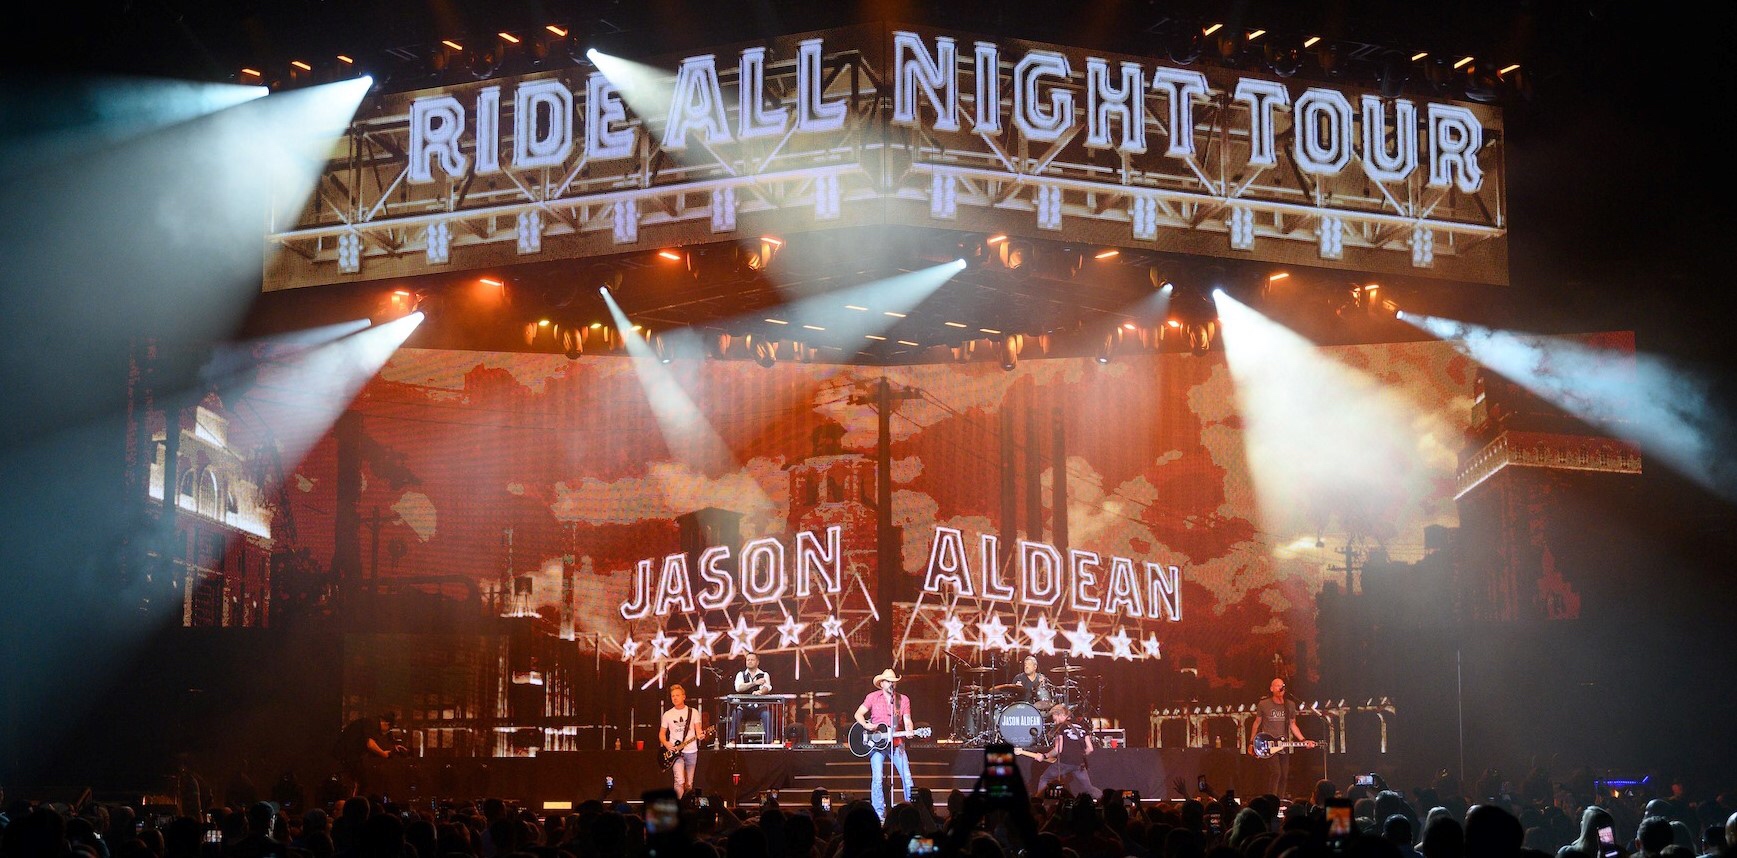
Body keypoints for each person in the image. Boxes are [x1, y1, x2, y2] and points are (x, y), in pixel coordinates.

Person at [854, 668, 916, 821]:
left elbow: (907, 720)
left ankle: (913, 811)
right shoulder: (872, 697)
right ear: (881, 683)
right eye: (888, 681)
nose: (892, 684)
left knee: (907, 776)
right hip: (876, 743)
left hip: (896, 742)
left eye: (894, 682)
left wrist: (909, 730)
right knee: (877, 778)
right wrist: (867, 726)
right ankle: (879, 814)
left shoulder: (903, 700)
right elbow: (858, 714)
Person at [1246, 678, 1316, 799]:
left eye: (1282, 685)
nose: (1280, 687)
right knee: (1276, 772)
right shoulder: (1263, 704)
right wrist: (1251, 742)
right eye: (1277, 685)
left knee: (1284, 774)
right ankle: (1272, 800)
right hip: (1268, 743)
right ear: (1271, 688)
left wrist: (1303, 740)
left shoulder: (1290, 705)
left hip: (1283, 744)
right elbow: (1256, 723)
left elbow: (1293, 725)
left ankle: (1280, 800)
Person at [1019, 703, 1100, 799]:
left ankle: (1039, 803)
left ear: (1060, 715)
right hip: (1079, 764)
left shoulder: (1060, 727)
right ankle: (1104, 801)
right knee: (1089, 788)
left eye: (1055, 719)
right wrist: (1079, 755)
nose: (1055, 722)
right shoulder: (1082, 728)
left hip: (1065, 762)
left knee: (1044, 778)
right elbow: (1090, 749)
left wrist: (1045, 756)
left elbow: (1058, 749)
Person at [332, 712, 404, 798]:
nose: (385, 733)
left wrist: (390, 751)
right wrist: (383, 754)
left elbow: (372, 748)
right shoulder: (371, 723)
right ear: (387, 724)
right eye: (388, 730)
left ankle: (353, 801)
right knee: (361, 782)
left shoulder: (369, 724)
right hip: (346, 755)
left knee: (360, 781)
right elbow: (370, 745)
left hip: (348, 755)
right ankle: (354, 804)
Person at [659, 684, 708, 798]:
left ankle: (687, 806)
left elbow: (698, 731)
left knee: (689, 783)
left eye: (677, 695)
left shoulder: (693, 712)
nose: (675, 698)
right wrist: (666, 744)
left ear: (683, 697)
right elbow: (661, 734)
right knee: (679, 780)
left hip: (691, 751)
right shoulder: (668, 714)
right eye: (672, 696)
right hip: (675, 752)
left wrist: (701, 735)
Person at [731, 652, 775, 745]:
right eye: (748, 660)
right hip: (744, 707)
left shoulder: (764, 674)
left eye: (752, 660)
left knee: (767, 714)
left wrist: (761, 691)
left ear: (757, 662)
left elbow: (767, 687)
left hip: (759, 707)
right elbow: (739, 688)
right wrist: (754, 683)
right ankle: (733, 740)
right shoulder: (741, 674)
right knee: (736, 712)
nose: (749, 661)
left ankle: (769, 741)